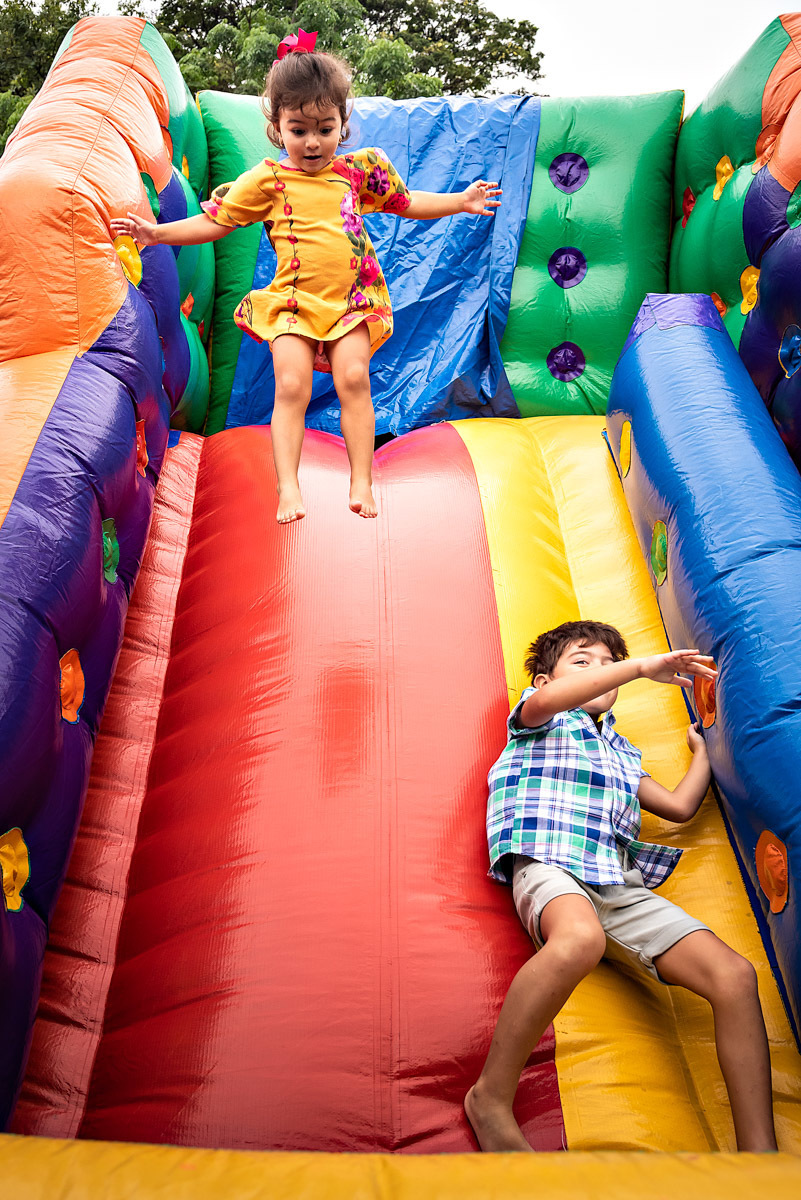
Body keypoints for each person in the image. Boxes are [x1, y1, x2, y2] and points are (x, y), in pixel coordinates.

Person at [110, 29, 502, 524]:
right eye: (298, 130)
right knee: (291, 385)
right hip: (293, 304)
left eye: (325, 128)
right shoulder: (268, 181)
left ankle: (361, 479)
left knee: (353, 377)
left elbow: (408, 203)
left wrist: (460, 201)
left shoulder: (359, 172)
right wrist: (156, 233)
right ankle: (289, 486)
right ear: (278, 127)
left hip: (352, 302)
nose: (312, 142)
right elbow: (216, 221)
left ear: (342, 124)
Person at [465, 619, 777, 1153]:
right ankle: (489, 1096)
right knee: (578, 939)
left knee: (734, 976)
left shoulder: (622, 752)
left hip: (617, 884)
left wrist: (704, 750)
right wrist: (640, 667)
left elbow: (678, 807)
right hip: (551, 859)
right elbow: (558, 699)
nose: (601, 671)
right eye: (582, 661)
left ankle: (760, 1153)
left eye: (609, 663)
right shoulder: (541, 714)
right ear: (544, 680)